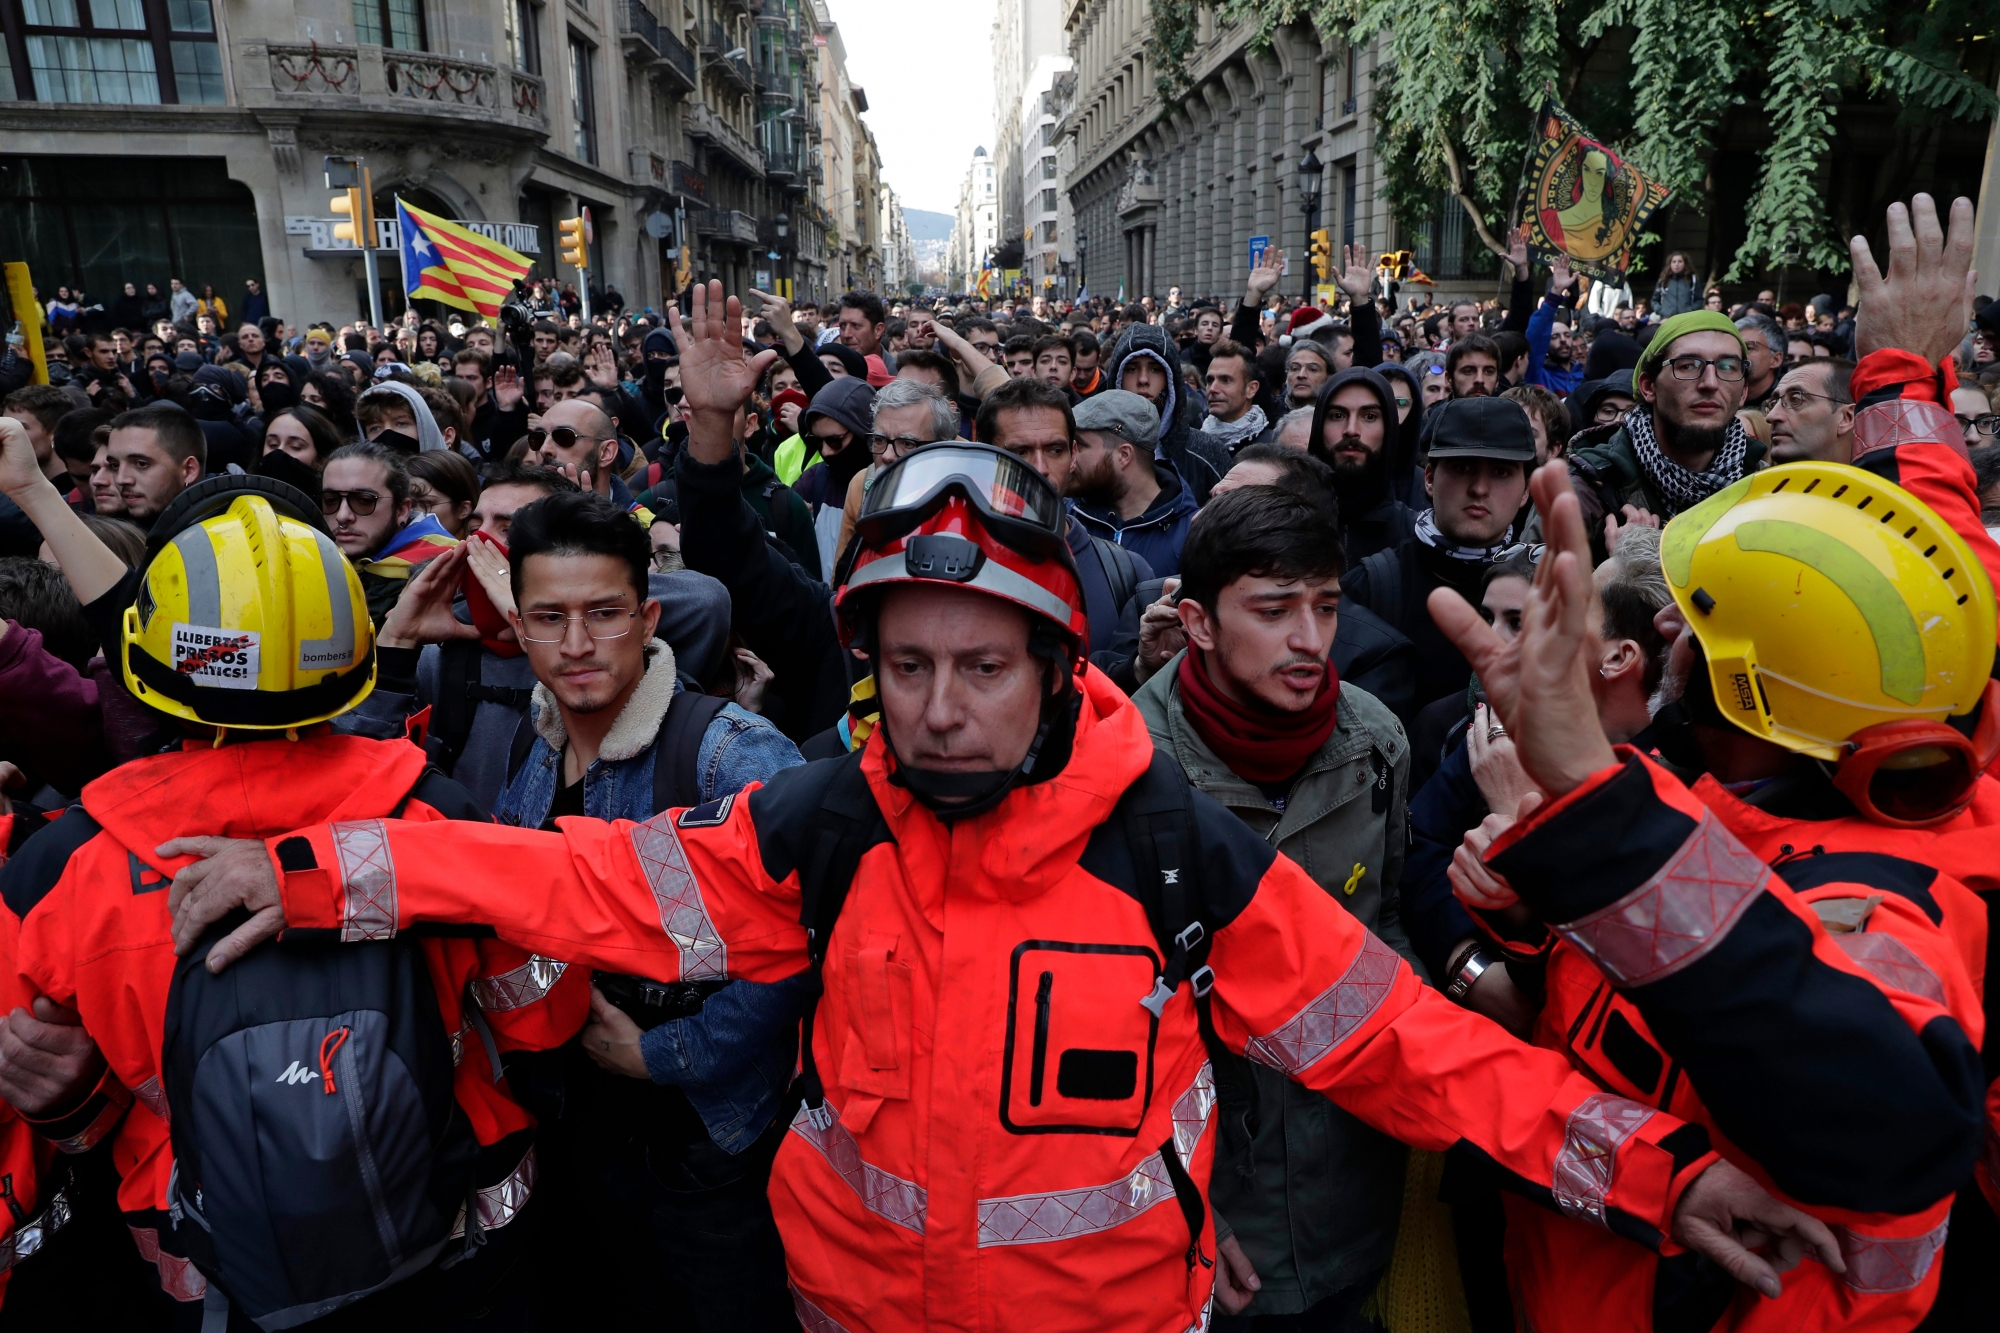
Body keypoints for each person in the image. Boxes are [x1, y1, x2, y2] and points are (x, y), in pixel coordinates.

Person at [165, 284, 1836, 1333]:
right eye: (911, 662)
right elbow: (571, 881)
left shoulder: (1173, 853)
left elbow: (1409, 1044)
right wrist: (321, 869)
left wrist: (1656, 1171)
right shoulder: (821, 831)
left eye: (986, 662)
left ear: (1059, 665)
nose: (946, 704)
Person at [0, 455, 573, 1325]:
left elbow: (54, 1104)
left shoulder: (60, 867)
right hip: (458, 1248)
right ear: (348, 653)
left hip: (214, 1271)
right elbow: (543, 1018)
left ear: (147, 662)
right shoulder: (435, 815)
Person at [1426, 455, 1986, 1333]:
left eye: (1685, 624)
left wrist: (1597, 809)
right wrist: (1535, 924)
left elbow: (1894, 1121)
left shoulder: (1880, 894)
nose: (1662, 630)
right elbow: (1657, 1014)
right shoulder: (1711, 805)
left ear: (1748, 688)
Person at [477, 488, 807, 1332]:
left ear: (649, 614)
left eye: (605, 613)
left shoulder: (728, 753)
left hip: (703, 1143)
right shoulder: (530, 741)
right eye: (549, 616)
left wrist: (664, 1052)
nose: (577, 643)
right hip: (570, 1126)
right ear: (518, 627)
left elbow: (802, 943)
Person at [1132, 486, 1415, 1327]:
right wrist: (1182, 1208)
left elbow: (1388, 920)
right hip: (1205, 1214)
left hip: (1349, 1191)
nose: (1309, 638)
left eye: (1326, 606)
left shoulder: (1375, 741)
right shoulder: (1123, 776)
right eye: (1274, 608)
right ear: (1199, 622)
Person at [1340, 396, 1534, 714]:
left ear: (1526, 490)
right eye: (1463, 467)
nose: (1480, 488)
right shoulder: (1370, 587)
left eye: (1500, 472)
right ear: (1429, 478)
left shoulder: (1548, 593)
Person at [1567, 311, 1764, 552]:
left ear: (1743, 392)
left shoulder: (1765, 489)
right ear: (1649, 387)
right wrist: (1617, 574)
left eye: (1728, 366)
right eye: (1688, 365)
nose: (1710, 383)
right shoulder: (1588, 488)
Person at [323, 440, 457, 626]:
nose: (342, 516)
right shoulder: (311, 561)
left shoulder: (446, 569)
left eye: (364, 500)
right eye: (330, 500)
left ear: (402, 510)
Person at [1069, 390, 1198, 580]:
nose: (1069, 458)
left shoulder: (1192, 533)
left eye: (1080, 446)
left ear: (1124, 455)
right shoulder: (1068, 517)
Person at [1103, 322, 1232, 502]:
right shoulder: (1095, 450)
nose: (1143, 380)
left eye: (1155, 369)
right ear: (1118, 376)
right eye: (1132, 369)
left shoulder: (1206, 451)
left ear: (1170, 379)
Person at [1306, 367, 1416, 565]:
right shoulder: (1290, 525)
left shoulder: (1413, 536)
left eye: (1370, 417)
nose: (1351, 430)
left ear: (1388, 429)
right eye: (1338, 416)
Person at [792, 378, 876, 577]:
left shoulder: (894, 483)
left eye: (834, 441)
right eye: (816, 441)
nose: (826, 451)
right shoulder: (812, 481)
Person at [97, 402, 203, 528]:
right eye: (115, 465)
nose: (121, 479)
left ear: (188, 470)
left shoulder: (220, 532)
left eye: (141, 464)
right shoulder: (135, 529)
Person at [1765, 359, 1856, 464]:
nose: (1771, 416)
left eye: (1796, 399)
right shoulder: (1753, 480)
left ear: (1847, 417)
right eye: (1772, 404)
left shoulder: (1877, 480)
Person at [1200, 340, 1269, 450]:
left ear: (1251, 389)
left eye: (1226, 380)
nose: (1213, 388)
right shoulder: (1193, 442)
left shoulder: (1271, 447)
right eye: (1210, 380)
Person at [405, 447, 479, 537]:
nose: (412, 512)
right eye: (405, 503)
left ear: (463, 509)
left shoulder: (479, 550)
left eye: (426, 503)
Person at [1652, 252, 1702, 319]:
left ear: (1685, 263)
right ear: (1670, 264)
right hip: (1667, 319)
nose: (1676, 264)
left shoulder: (1692, 280)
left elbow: (1699, 300)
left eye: (1680, 261)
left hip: (1686, 319)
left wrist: (1690, 310)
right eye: (1674, 262)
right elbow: (1654, 300)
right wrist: (1661, 311)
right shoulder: (1663, 280)